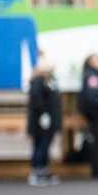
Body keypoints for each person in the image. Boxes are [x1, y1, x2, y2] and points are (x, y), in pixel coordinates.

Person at [26, 55, 61, 186]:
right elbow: (36, 99)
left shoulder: (50, 81)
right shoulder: (37, 81)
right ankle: (36, 172)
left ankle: (44, 170)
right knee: (40, 146)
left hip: (49, 122)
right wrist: (43, 114)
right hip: (40, 122)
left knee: (45, 147)